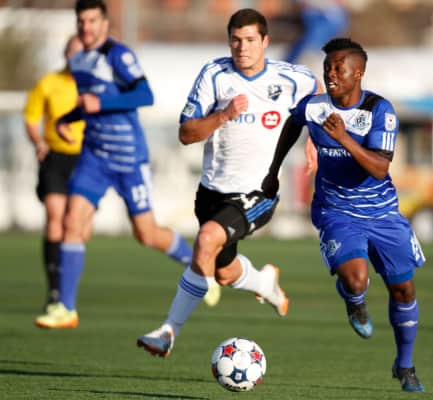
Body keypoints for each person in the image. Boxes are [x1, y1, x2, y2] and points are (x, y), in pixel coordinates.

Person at [136, 8, 319, 358]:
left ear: (265, 41)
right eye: (236, 40)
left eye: (250, 40)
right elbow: (186, 133)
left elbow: (317, 93)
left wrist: (314, 136)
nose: (242, 47)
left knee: (206, 240)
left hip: (258, 192)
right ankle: (264, 282)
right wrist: (224, 115)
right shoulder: (215, 75)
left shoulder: (290, 77)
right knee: (223, 272)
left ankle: (167, 332)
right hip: (211, 193)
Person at [262, 38, 425, 393]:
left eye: (339, 68)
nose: (331, 74)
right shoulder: (314, 106)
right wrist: (273, 172)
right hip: (336, 211)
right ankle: (356, 304)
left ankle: (405, 364)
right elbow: (291, 125)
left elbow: (380, 168)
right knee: (355, 279)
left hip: (382, 214)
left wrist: (344, 138)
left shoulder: (380, 110)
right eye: (328, 68)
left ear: (358, 73)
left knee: (403, 289)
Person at [34, 0, 194, 329]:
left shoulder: (118, 55)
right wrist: (67, 118)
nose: (87, 27)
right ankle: (65, 308)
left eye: (92, 20)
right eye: (82, 21)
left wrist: (102, 101)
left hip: (128, 158)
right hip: (94, 156)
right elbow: (89, 104)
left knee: (146, 233)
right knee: (71, 222)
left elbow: (145, 95)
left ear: (104, 23)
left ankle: (197, 266)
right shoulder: (78, 60)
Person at [23, 35, 85, 311]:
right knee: (55, 219)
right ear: (65, 54)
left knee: (78, 226)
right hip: (55, 158)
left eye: (81, 52)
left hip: (85, 160)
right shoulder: (48, 83)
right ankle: (54, 291)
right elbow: (31, 119)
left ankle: (68, 289)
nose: (76, 57)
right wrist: (38, 142)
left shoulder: (94, 85)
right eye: (72, 51)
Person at [284, 0, 348, 65]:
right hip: (312, 14)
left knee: (335, 19)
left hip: (328, 15)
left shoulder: (337, 18)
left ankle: (311, 52)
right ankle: (309, 53)